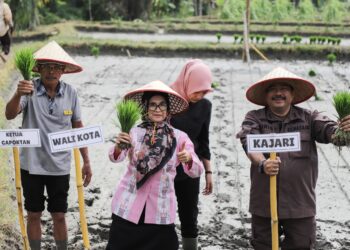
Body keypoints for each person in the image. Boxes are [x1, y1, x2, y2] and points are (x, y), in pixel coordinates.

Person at [236, 67, 350, 250]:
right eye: (273, 89)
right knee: (263, 246)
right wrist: (263, 163)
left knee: (301, 246)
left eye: (284, 88)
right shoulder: (254, 118)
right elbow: (249, 143)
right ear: (265, 95)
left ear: (292, 93)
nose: (278, 93)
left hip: (300, 204)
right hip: (264, 203)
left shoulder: (310, 118)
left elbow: (331, 134)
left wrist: (345, 130)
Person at [5, 41, 92, 250]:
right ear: (39, 68)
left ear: (63, 71)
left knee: (59, 215)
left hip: (59, 165)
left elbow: (78, 126)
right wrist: (18, 94)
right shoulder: (29, 89)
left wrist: (86, 161)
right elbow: (9, 114)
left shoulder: (71, 93)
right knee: (33, 213)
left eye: (55, 66)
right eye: (46, 66)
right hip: (32, 165)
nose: (51, 71)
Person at [106, 80, 204, 250]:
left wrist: (188, 159)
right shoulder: (134, 132)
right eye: (152, 105)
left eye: (161, 105)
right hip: (129, 205)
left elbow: (196, 171)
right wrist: (118, 146)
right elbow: (116, 157)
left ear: (168, 110)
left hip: (160, 209)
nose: (157, 110)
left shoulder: (179, 137)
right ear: (145, 108)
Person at [169, 59, 213, 250]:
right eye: (198, 90)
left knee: (189, 214)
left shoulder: (205, 106)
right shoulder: (167, 100)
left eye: (205, 91)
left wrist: (208, 172)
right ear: (188, 82)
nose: (201, 95)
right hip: (165, 169)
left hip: (190, 168)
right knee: (163, 214)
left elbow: (203, 141)